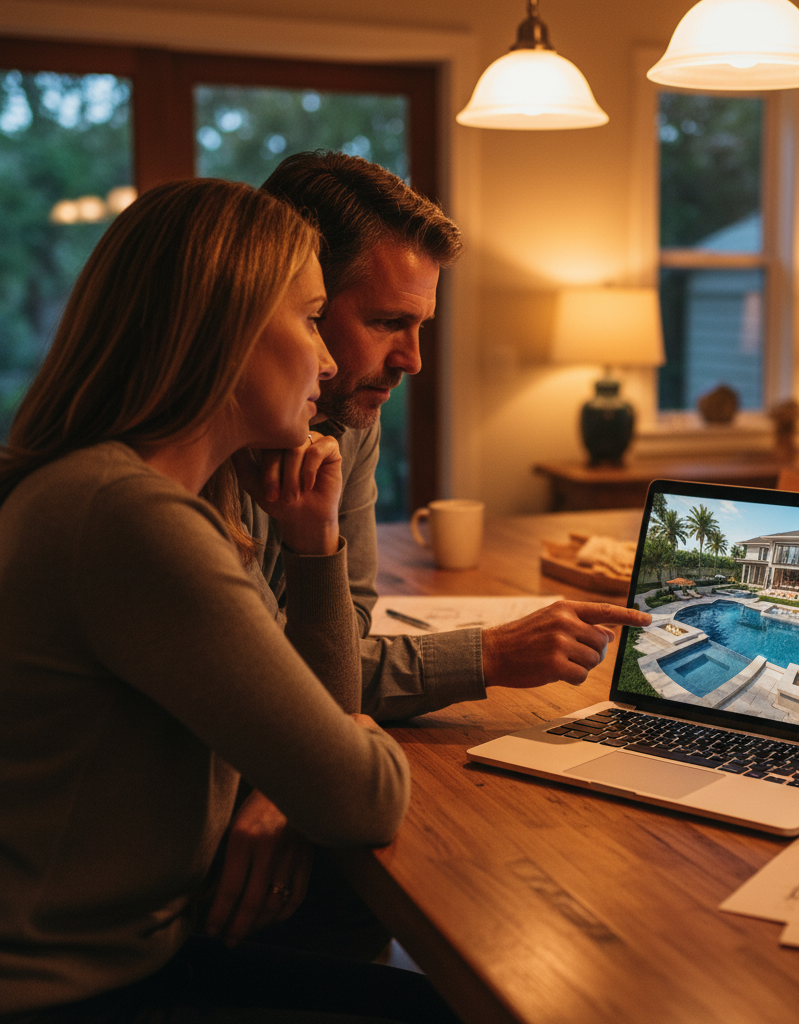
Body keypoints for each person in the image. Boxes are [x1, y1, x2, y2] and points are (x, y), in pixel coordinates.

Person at [0, 179, 457, 1023]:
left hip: (138, 956)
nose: (328, 361)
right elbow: (358, 795)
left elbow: (321, 746)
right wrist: (349, 742)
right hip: (72, 993)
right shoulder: (130, 519)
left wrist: (312, 544)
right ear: (226, 328)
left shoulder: (145, 497)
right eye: (311, 319)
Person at [257, 151, 651, 722]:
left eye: (421, 325)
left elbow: (346, 630)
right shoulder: (196, 464)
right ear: (297, 300)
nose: (413, 361)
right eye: (387, 322)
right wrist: (489, 654)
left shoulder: (350, 415)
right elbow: (272, 681)